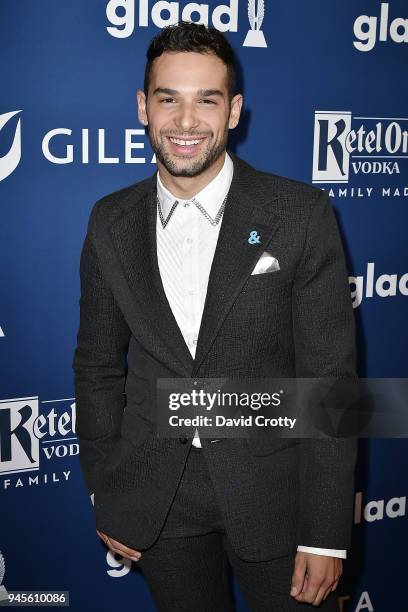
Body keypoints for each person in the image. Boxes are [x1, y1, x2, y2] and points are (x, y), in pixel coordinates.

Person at [72, 21, 357, 611]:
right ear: (142, 108)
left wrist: (327, 530)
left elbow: (332, 382)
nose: (185, 121)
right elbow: (97, 367)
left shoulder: (299, 213)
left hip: (278, 494)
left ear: (234, 111)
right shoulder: (110, 220)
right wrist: (109, 492)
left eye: (207, 99)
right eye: (167, 98)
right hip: (159, 499)